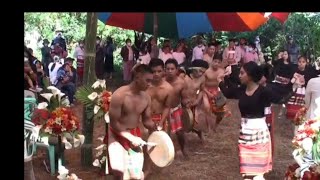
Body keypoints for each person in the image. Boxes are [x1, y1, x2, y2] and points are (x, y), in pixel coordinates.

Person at [217, 61, 281, 180]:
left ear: (250, 75)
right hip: (245, 135)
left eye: (242, 73)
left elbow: (280, 98)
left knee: (257, 175)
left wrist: (294, 85)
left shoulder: (264, 91)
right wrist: (221, 80)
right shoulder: (241, 90)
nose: (239, 76)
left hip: (259, 134)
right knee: (246, 174)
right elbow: (227, 92)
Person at [106, 64, 156, 180]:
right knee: (119, 172)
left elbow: (147, 120)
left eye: (151, 81)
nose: (149, 84)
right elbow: (114, 123)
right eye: (147, 80)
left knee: (135, 175)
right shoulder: (119, 95)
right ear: (137, 77)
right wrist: (130, 137)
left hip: (135, 134)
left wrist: (157, 132)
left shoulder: (146, 97)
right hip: (116, 135)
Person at [143, 58, 173, 178]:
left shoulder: (168, 88)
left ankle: (161, 166)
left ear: (163, 71)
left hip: (161, 118)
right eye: (153, 71)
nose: (156, 74)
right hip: (145, 118)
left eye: (159, 71)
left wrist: (161, 122)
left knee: (161, 144)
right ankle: (147, 168)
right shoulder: (144, 86)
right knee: (145, 144)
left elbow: (167, 107)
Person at [165, 59, 188, 158]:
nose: (170, 71)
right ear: (165, 70)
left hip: (176, 109)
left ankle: (183, 149)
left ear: (176, 70)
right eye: (168, 69)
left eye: (172, 69)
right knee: (165, 133)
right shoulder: (161, 81)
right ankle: (166, 153)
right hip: (163, 110)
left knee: (179, 133)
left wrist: (187, 107)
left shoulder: (181, 83)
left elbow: (184, 99)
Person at [181, 60, 209, 143]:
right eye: (199, 71)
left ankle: (200, 134)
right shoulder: (184, 77)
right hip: (182, 103)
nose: (201, 74)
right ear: (193, 69)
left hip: (194, 102)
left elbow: (202, 90)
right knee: (183, 122)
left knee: (197, 122)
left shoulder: (202, 78)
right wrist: (182, 101)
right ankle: (182, 140)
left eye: (203, 72)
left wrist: (197, 100)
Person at [203, 58, 231, 133]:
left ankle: (215, 126)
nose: (216, 63)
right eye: (215, 61)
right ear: (212, 61)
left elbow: (223, 84)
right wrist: (208, 93)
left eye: (218, 62)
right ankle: (208, 128)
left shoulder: (222, 71)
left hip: (217, 91)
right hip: (206, 91)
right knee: (207, 108)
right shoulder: (206, 72)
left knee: (221, 112)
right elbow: (202, 85)